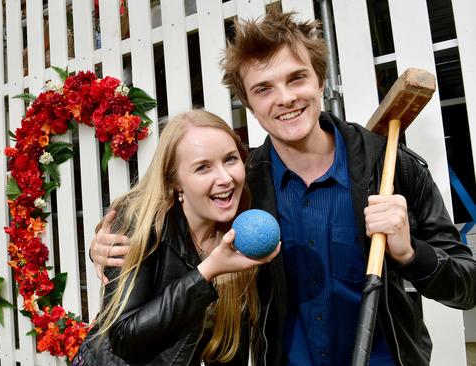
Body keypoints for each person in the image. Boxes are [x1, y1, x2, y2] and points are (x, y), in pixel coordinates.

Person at [90, 8, 476, 366]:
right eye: (263, 89)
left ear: (320, 80)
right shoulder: (241, 185)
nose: (285, 98)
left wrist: (410, 254)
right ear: (248, 103)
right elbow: (172, 230)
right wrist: (115, 246)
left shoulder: (391, 170)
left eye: (296, 78)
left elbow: (467, 285)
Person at [75, 110, 280, 366]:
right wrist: (207, 272)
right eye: (203, 167)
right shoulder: (141, 221)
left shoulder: (243, 229)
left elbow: (229, 343)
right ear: (175, 181)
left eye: (230, 159)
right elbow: (123, 337)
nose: (225, 178)